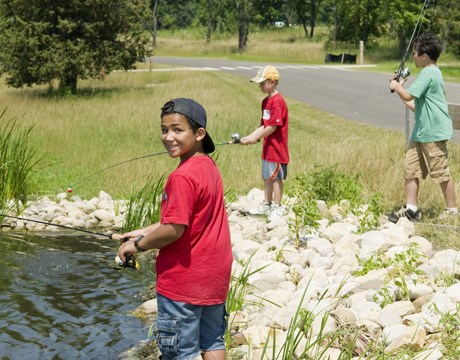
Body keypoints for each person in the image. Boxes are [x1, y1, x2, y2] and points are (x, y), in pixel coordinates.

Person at [115, 98, 233, 360]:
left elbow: (173, 230)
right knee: (212, 341)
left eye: (178, 130)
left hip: (184, 281)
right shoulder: (208, 167)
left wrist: (136, 245)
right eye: (164, 129)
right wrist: (142, 231)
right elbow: (183, 218)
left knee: (181, 352)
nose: (168, 137)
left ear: (199, 133)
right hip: (214, 276)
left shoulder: (181, 176)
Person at [388, 33, 458, 223]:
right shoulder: (429, 73)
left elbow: (409, 96)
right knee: (410, 169)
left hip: (433, 133)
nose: (412, 55)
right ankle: (411, 209)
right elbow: (413, 105)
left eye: (414, 52)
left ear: (424, 55)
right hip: (420, 132)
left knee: (441, 172)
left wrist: (396, 84)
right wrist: (399, 88)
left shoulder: (429, 73)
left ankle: (452, 210)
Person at [240, 65, 290, 220]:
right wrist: (250, 136)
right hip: (267, 149)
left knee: (276, 178)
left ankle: (277, 206)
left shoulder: (278, 101)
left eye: (263, 83)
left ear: (273, 82)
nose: (260, 86)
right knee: (266, 177)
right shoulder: (265, 102)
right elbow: (263, 125)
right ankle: (267, 205)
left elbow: (273, 127)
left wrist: (256, 137)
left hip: (277, 149)